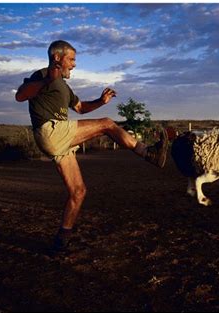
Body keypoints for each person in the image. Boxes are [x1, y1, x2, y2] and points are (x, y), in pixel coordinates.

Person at [15, 40, 168, 253]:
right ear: (57, 57)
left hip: (59, 139)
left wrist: (100, 101)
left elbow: (80, 108)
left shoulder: (64, 87)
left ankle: (61, 241)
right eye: (72, 59)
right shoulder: (40, 75)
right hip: (51, 131)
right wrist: (48, 80)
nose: (74, 65)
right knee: (107, 124)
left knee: (78, 192)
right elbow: (20, 96)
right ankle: (148, 153)